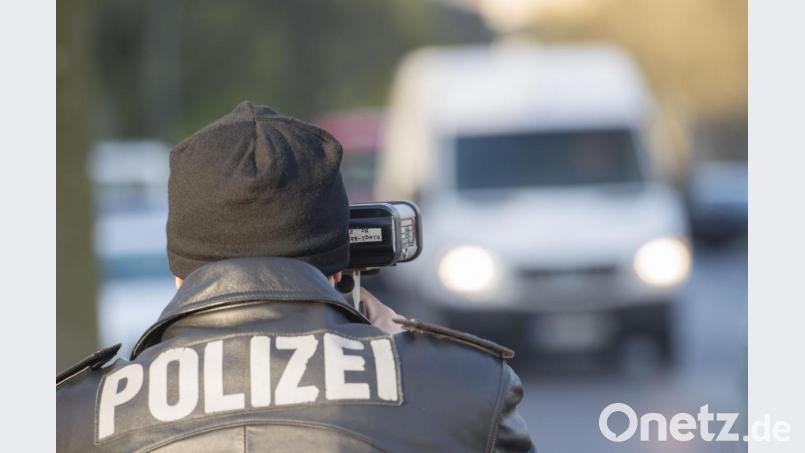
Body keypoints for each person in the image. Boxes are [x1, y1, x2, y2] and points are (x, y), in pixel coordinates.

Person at [56, 101, 536, 452]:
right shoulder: (467, 387)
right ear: (340, 271)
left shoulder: (68, 416)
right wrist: (401, 352)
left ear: (180, 276)